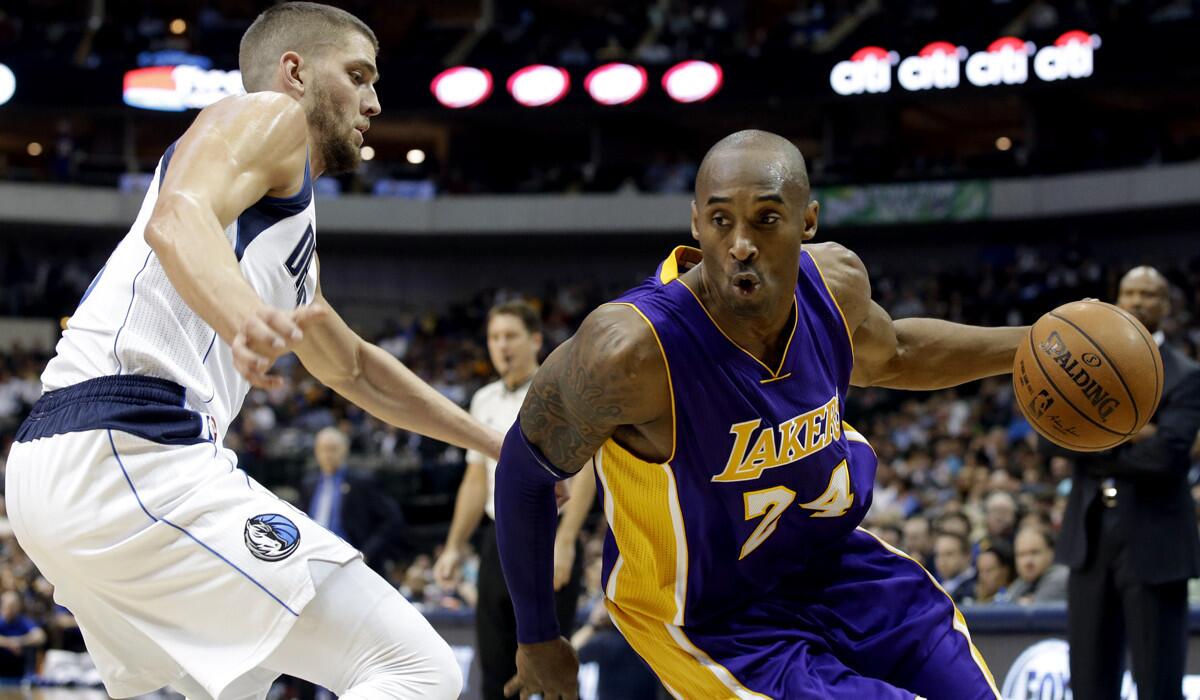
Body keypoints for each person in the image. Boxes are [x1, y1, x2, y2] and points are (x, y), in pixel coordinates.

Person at [4, 4, 503, 699]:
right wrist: (242, 316)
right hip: (129, 445)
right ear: (294, 71)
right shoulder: (268, 114)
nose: (375, 101)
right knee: (414, 668)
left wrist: (493, 444)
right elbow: (177, 218)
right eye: (358, 75)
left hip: (79, 464)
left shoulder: (292, 238)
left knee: (240, 688)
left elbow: (353, 367)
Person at [495, 130, 1026, 699]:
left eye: (766, 219)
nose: (741, 243)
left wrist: (1035, 346)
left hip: (835, 566)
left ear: (808, 222)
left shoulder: (834, 285)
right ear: (696, 223)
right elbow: (523, 473)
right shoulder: (629, 351)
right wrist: (538, 638)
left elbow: (897, 352)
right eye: (722, 221)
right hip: (710, 617)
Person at [1049, 266, 1200, 700]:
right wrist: (1134, 429)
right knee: (1090, 684)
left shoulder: (1188, 374)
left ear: (1167, 305)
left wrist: (1093, 429)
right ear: (1117, 298)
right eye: (1130, 292)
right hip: (1090, 537)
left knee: (1158, 684)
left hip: (1157, 544)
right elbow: (1053, 440)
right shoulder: (1078, 358)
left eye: (1150, 294)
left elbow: (1166, 458)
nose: (1138, 301)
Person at [432, 300, 595, 700]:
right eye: (493, 337)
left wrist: (567, 539)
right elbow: (475, 480)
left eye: (510, 336)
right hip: (496, 540)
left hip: (549, 533)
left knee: (553, 665)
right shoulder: (484, 399)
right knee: (495, 669)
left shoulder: (565, 388)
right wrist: (454, 546)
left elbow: (587, 469)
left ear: (535, 340)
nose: (501, 345)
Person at [300, 426, 410, 576]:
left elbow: (392, 518)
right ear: (316, 451)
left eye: (333, 449)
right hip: (316, 558)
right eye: (323, 449)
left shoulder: (361, 481)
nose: (328, 455)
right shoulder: (309, 483)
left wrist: (367, 552)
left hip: (351, 559)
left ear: (344, 450)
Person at [1005, 527, 1068, 605]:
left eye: (1034, 552)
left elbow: (1036, 614)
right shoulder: (1022, 583)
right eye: (1021, 555)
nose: (1027, 561)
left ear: (1051, 553)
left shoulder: (1060, 577)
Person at [0, 591, 44, 681]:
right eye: (9, 605)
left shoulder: (23, 621)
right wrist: (9, 643)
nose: (11, 608)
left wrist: (19, 642)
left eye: (14, 605)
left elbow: (40, 636)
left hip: (21, 669)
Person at [933, 531, 976, 605]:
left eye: (949, 554)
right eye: (938, 555)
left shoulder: (976, 586)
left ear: (967, 556)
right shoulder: (935, 584)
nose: (942, 561)